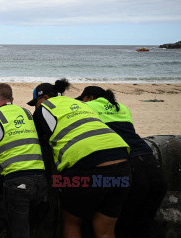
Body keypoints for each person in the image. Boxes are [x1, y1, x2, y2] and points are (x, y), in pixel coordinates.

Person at [27, 79, 131, 238]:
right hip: (122, 165)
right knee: (105, 231)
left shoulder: (44, 109)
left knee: (71, 222)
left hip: (85, 169)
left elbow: (36, 139)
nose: (36, 106)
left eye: (36, 102)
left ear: (45, 98)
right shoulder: (81, 104)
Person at [76, 86, 167, 238]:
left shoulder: (86, 106)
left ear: (89, 98)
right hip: (152, 165)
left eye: (83, 98)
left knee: (120, 227)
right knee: (144, 227)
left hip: (130, 167)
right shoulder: (122, 108)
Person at [0, 83, 47, 238]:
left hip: (17, 181)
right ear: (12, 98)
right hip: (41, 180)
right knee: (38, 229)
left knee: (19, 231)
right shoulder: (26, 113)